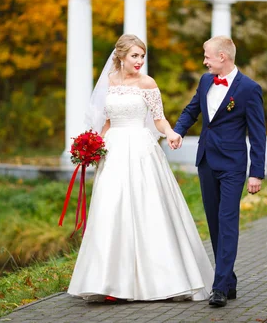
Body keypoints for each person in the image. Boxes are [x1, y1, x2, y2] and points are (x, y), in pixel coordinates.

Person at [67, 34, 214, 302]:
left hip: (141, 149)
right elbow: (107, 122)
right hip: (113, 151)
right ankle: (108, 283)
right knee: (111, 210)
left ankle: (163, 280)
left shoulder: (148, 83)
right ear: (120, 57)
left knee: (148, 208)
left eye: (142, 56)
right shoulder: (109, 83)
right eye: (134, 56)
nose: (139, 61)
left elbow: (158, 119)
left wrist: (170, 133)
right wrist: (92, 146)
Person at [172, 35, 266, 307]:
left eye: (207, 56)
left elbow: (258, 135)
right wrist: (178, 131)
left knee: (227, 222)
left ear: (222, 57)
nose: (204, 61)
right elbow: (192, 110)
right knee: (214, 223)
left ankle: (220, 287)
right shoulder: (205, 81)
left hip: (233, 167)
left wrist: (256, 172)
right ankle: (229, 280)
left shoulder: (249, 89)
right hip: (206, 163)